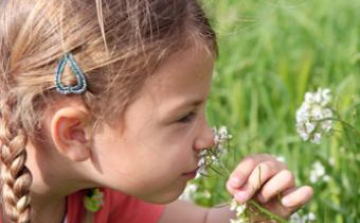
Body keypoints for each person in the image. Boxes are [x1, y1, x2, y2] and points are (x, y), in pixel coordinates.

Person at [0, 0, 313, 222]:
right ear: (76, 133)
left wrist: (251, 214)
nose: (209, 138)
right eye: (183, 117)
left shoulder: (95, 194)